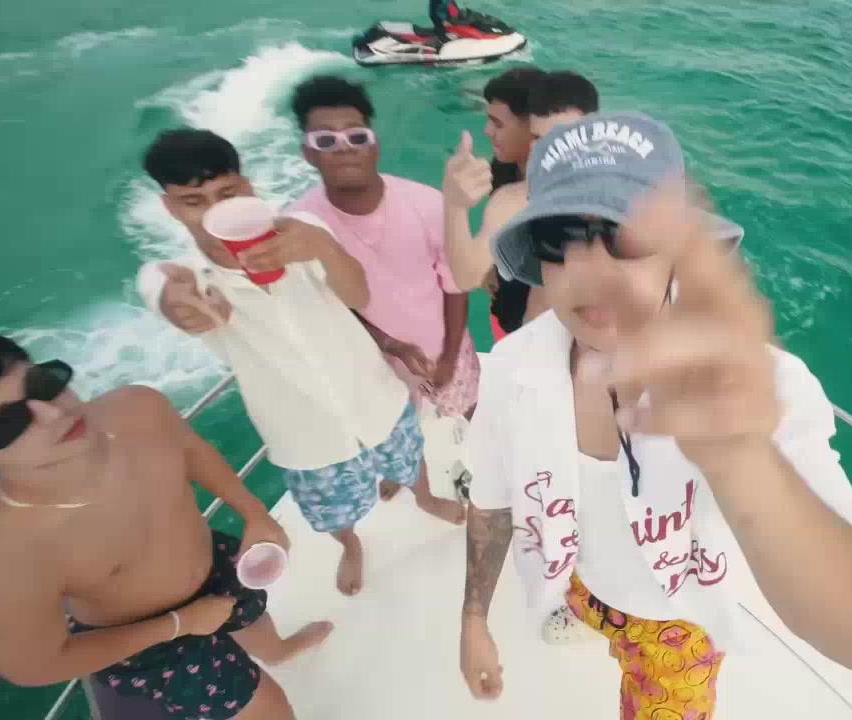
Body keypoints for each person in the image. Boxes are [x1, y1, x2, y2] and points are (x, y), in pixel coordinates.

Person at [457, 112, 852, 718]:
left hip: (678, 624)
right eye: (559, 236)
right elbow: (493, 497)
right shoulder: (512, 370)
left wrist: (737, 453)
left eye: (626, 233)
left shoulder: (759, 385)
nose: (593, 270)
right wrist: (474, 617)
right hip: (577, 586)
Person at [134, 128, 457, 598]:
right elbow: (160, 289)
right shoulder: (186, 281)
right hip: (304, 435)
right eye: (193, 201)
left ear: (248, 186)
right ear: (170, 208)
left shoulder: (302, 231)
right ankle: (352, 546)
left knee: (410, 460)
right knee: (333, 514)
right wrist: (172, 303)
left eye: (227, 193)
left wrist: (323, 247)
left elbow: (359, 295)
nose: (214, 211)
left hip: (375, 396)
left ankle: (425, 499)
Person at [0, 331, 332, 719]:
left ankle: (278, 651)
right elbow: (35, 665)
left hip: (213, 563)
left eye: (42, 384)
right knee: (272, 711)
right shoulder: (5, 559)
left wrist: (255, 514)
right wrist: (179, 624)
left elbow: (191, 450)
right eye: (6, 424)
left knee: (250, 616)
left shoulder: (137, 408)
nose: (54, 413)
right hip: (154, 639)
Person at [287, 76, 481, 441]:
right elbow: (324, 306)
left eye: (356, 136)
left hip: (445, 351)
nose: (344, 148)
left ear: (374, 145)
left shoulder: (428, 203)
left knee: (472, 413)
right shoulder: (299, 226)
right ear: (308, 154)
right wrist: (388, 344)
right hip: (370, 369)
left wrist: (449, 358)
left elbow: (455, 285)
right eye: (326, 140)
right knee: (399, 441)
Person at [443, 70, 600, 342]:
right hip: (514, 322)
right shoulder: (508, 177)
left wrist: (454, 205)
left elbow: (466, 276)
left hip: (545, 335)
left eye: (498, 124)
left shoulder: (518, 196)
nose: (487, 131)